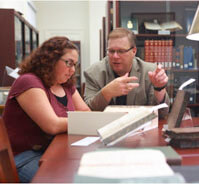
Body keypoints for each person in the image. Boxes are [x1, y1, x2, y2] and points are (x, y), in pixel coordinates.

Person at [3, 36, 90, 182]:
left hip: (53, 150)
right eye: (69, 63)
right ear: (50, 59)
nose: (73, 69)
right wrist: (84, 121)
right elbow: (52, 125)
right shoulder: (28, 81)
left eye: (75, 64)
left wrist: (84, 120)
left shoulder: (66, 84)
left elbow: (86, 113)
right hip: (24, 156)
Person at [84, 27, 170, 119]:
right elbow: (88, 112)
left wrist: (159, 89)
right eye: (111, 51)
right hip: (103, 129)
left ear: (134, 51)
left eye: (121, 51)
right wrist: (107, 92)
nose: (115, 56)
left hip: (139, 129)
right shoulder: (93, 73)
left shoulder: (149, 71)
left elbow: (162, 114)